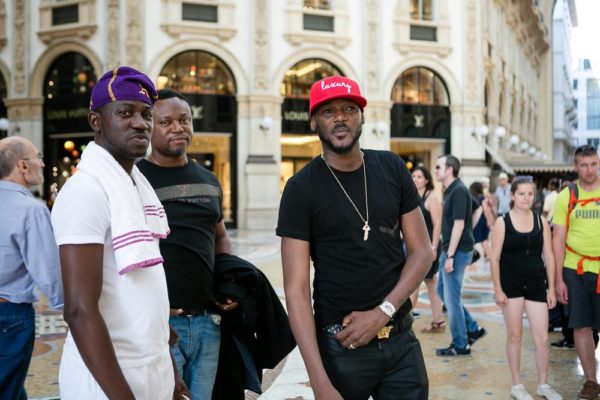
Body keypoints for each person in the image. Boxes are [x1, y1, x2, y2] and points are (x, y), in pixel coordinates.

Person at [277, 76, 433, 400]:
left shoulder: (391, 167)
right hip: (341, 347)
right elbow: (296, 290)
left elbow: (423, 253)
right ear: (313, 121)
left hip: (401, 342)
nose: (340, 117)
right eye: (328, 111)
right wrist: (319, 382)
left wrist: (382, 313)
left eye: (349, 108)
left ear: (362, 116)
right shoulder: (301, 188)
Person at [51, 66, 185, 399]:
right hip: (106, 378)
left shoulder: (136, 188)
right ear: (95, 121)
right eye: (125, 113)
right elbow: (79, 311)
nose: (141, 123)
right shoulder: (86, 190)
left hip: (152, 368)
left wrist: (170, 370)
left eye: (146, 114)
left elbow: (143, 292)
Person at [137, 89, 233, 399]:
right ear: (150, 126)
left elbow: (219, 235)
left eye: (184, 120)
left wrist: (229, 282)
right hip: (161, 324)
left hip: (208, 322)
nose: (178, 128)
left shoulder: (208, 179)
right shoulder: (135, 180)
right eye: (166, 122)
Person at [0, 136, 64, 400]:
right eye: (38, 156)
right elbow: (49, 273)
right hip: (10, 316)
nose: (42, 162)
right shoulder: (32, 210)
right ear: (22, 166)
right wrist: (72, 311)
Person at [490, 176, 561, 400]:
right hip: (510, 285)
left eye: (530, 194)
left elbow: (549, 257)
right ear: (512, 196)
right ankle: (517, 385)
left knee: (541, 338)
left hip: (536, 284)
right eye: (521, 194)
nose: (526, 198)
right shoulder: (503, 222)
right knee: (515, 335)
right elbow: (494, 258)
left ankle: (543, 384)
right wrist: (498, 289)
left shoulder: (541, 222)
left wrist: (551, 289)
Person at [552, 144, 600, 400]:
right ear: (575, 166)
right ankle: (591, 381)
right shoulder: (566, 196)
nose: (589, 170)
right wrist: (559, 279)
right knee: (581, 326)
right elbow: (558, 239)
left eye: (593, 164)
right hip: (576, 269)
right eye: (584, 165)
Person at [433, 155, 486, 356]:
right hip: (452, 248)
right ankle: (473, 328)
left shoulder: (458, 191)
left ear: (449, 170)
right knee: (442, 292)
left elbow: (459, 224)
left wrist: (451, 255)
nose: (435, 170)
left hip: (455, 251)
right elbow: (477, 209)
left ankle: (460, 344)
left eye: (439, 166)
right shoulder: (454, 190)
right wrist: (467, 233)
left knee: (451, 299)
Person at [410, 165, 445, 333]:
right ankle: (438, 320)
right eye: (413, 176)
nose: (415, 179)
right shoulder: (411, 196)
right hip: (413, 247)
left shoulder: (431, 197)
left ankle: (406, 322)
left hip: (427, 247)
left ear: (426, 180)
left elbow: (438, 223)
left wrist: (434, 247)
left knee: (413, 284)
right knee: (429, 285)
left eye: (419, 176)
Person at [470, 180, 494, 262]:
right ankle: (490, 256)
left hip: (473, 220)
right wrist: (489, 221)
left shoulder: (471, 197)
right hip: (482, 220)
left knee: (474, 239)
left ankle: (473, 258)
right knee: (484, 239)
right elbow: (486, 210)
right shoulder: (482, 198)